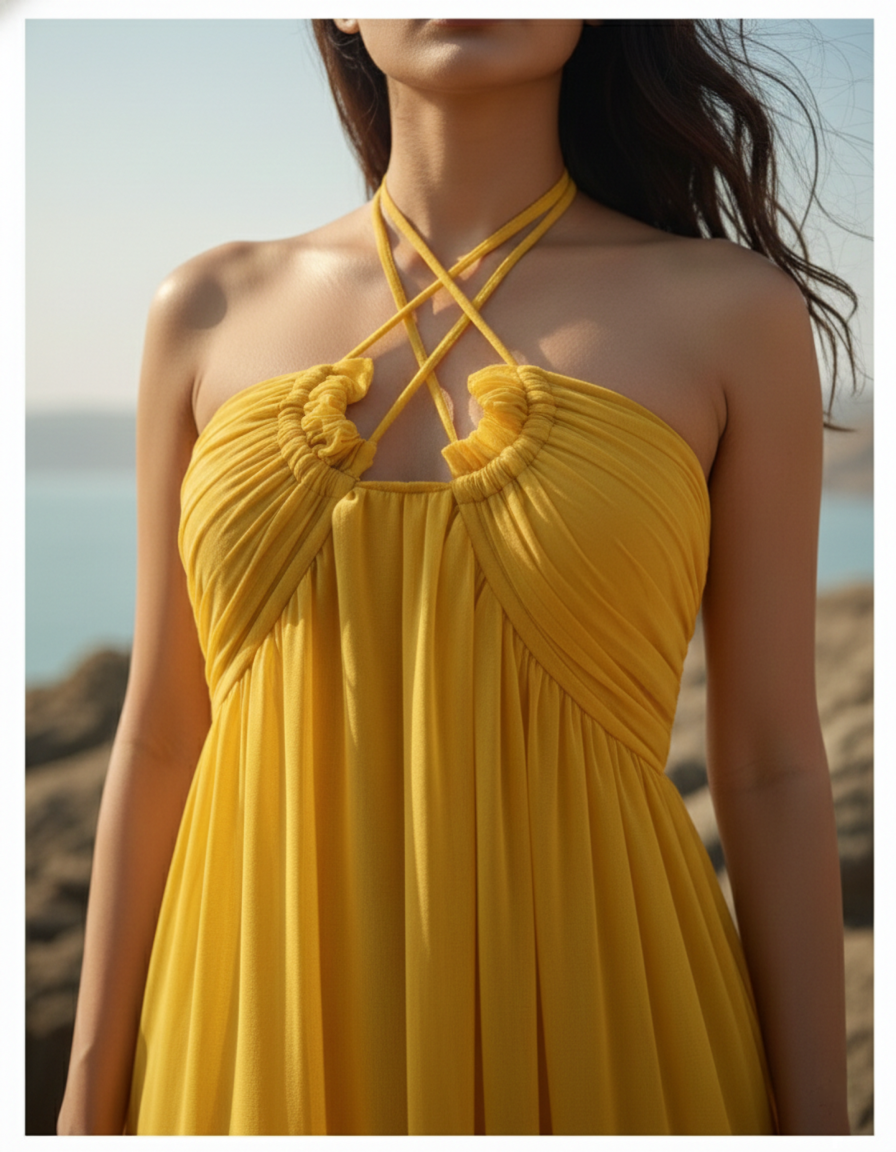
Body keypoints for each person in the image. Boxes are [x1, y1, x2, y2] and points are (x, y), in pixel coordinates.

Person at [57, 19, 857, 1135]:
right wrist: (88, 1084)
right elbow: (158, 732)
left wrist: (821, 1118)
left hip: (603, 1001)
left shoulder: (730, 314)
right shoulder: (205, 310)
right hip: (257, 1011)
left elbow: (769, 762)